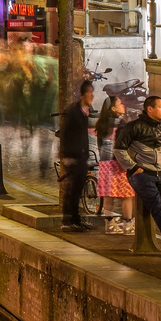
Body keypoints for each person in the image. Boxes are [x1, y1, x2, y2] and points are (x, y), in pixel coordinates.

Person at [113, 95, 161, 256]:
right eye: (160, 107)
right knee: (158, 206)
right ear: (149, 109)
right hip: (142, 175)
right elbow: (119, 149)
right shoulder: (133, 127)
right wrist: (133, 167)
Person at [58, 81, 95, 231]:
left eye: (93, 92)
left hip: (81, 155)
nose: (92, 95)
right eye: (89, 92)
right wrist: (65, 155)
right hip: (73, 156)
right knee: (72, 190)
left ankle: (76, 220)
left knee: (78, 189)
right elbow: (65, 134)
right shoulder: (73, 112)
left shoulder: (84, 111)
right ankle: (69, 221)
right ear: (83, 94)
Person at [94, 93, 133, 231]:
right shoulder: (121, 124)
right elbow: (123, 146)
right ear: (113, 109)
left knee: (108, 196)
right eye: (120, 104)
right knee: (127, 195)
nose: (123, 105)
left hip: (105, 164)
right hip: (118, 164)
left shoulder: (101, 124)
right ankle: (128, 225)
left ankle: (109, 225)